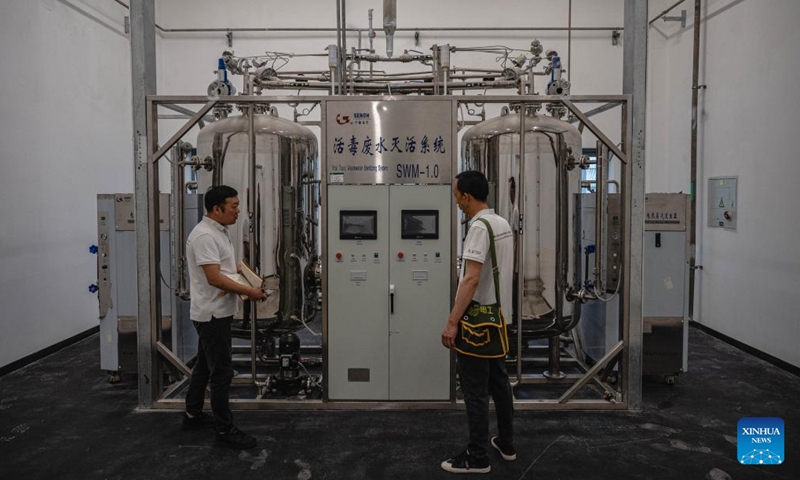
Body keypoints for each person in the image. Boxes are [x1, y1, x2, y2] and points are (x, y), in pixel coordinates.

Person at [441, 171, 516, 474]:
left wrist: (451, 322)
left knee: (474, 391)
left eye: (456, 194)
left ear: (467, 196)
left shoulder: (479, 228)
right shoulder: (502, 223)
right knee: (500, 384)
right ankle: (507, 444)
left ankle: (477, 457)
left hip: (477, 327)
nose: (456, 200)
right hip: (499, 321)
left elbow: (471, 279)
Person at [182, 185, 266, 449]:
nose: (238, 211)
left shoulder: (219, 232)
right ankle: (224, 429)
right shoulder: (205, 236)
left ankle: (192, 415)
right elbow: (214, 278)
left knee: (204, 367)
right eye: (233, 206)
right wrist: (249, 291)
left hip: (216, 313)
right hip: (212, 315)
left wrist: (243, 272)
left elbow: (226, 268)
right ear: (216, 209)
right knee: (221, 373)